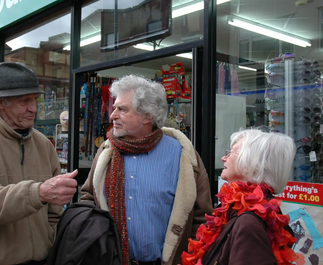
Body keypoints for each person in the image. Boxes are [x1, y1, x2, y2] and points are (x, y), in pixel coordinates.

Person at [0, 62, 78, 265]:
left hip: (39, 258)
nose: (33, 109)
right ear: (1, 102)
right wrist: (39, 192)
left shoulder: (43, 144)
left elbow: (54, 211)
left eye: (35, 100)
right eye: (25, 101)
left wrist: (49, 239)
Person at [79, 74, 214, 265]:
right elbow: (89, 200)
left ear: (147, 116)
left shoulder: (182, 156)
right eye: (114, 107)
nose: (112, 115)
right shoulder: (106, 151)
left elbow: (202, 219)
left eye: (122, 109)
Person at [182, 129, 303, 265]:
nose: (223, 158)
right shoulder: (241, 209)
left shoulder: (249, 224)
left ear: (249, 164)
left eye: (231, 153)